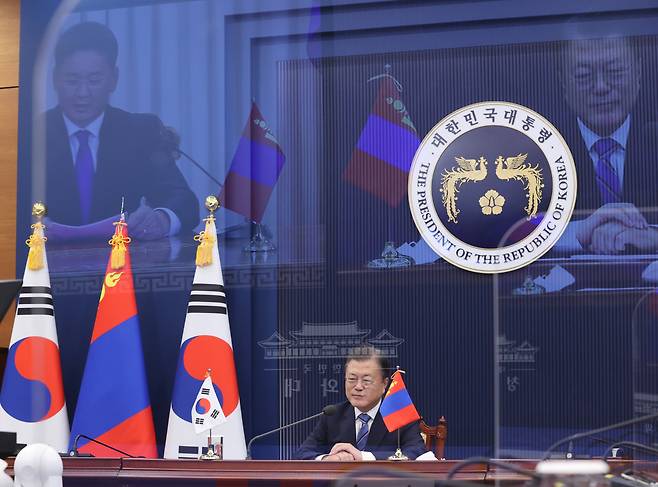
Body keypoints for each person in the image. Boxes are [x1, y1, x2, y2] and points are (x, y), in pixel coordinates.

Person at [44, 21, 199, 240]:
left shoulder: (141, 131)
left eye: (94, 80)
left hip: (124, 263)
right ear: (55, 79)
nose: (82, 93)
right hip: (46, 265)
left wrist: (161, 219)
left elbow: (181, 199)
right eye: (72, 80)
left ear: (113, 79)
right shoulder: (30, 135)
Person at [556, 36, 658, 254]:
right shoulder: (539, 152)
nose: (601, 87)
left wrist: (652, 234)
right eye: (584, 76)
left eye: (615, 71)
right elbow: (509, 236)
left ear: (638, 74)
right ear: (564, 84)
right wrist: (580, 232)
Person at [295, 347, 426, 460]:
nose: (358, 386)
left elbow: (416, 453)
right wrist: (327, 459)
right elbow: (303, 453)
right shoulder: (332, 415)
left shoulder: (399, 414)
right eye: (352, 379)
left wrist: (363, 457)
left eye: (366, 380)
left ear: (384, 384)